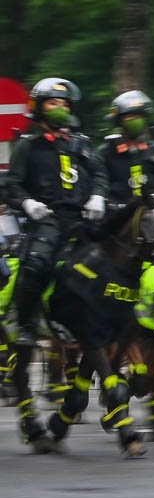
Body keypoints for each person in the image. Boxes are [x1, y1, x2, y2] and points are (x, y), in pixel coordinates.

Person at [1, 78, 108, 347]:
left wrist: (98, 196)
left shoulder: (82, 145)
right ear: (39, 108)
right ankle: (26, 324)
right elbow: (12, 184)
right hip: (46, 219)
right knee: (36, 263)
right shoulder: (28, 146)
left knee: (113, 261)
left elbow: (99, 175)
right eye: (53, 103)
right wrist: (27, 203)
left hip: (81, 219)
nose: (60, 107)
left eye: (64, 103)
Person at [98, 90, 154, 210]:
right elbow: (101, 182)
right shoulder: (107, 152)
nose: (135, 121)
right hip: (119, 216)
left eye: (139, 117)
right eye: (130, 117)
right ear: (119, 121)